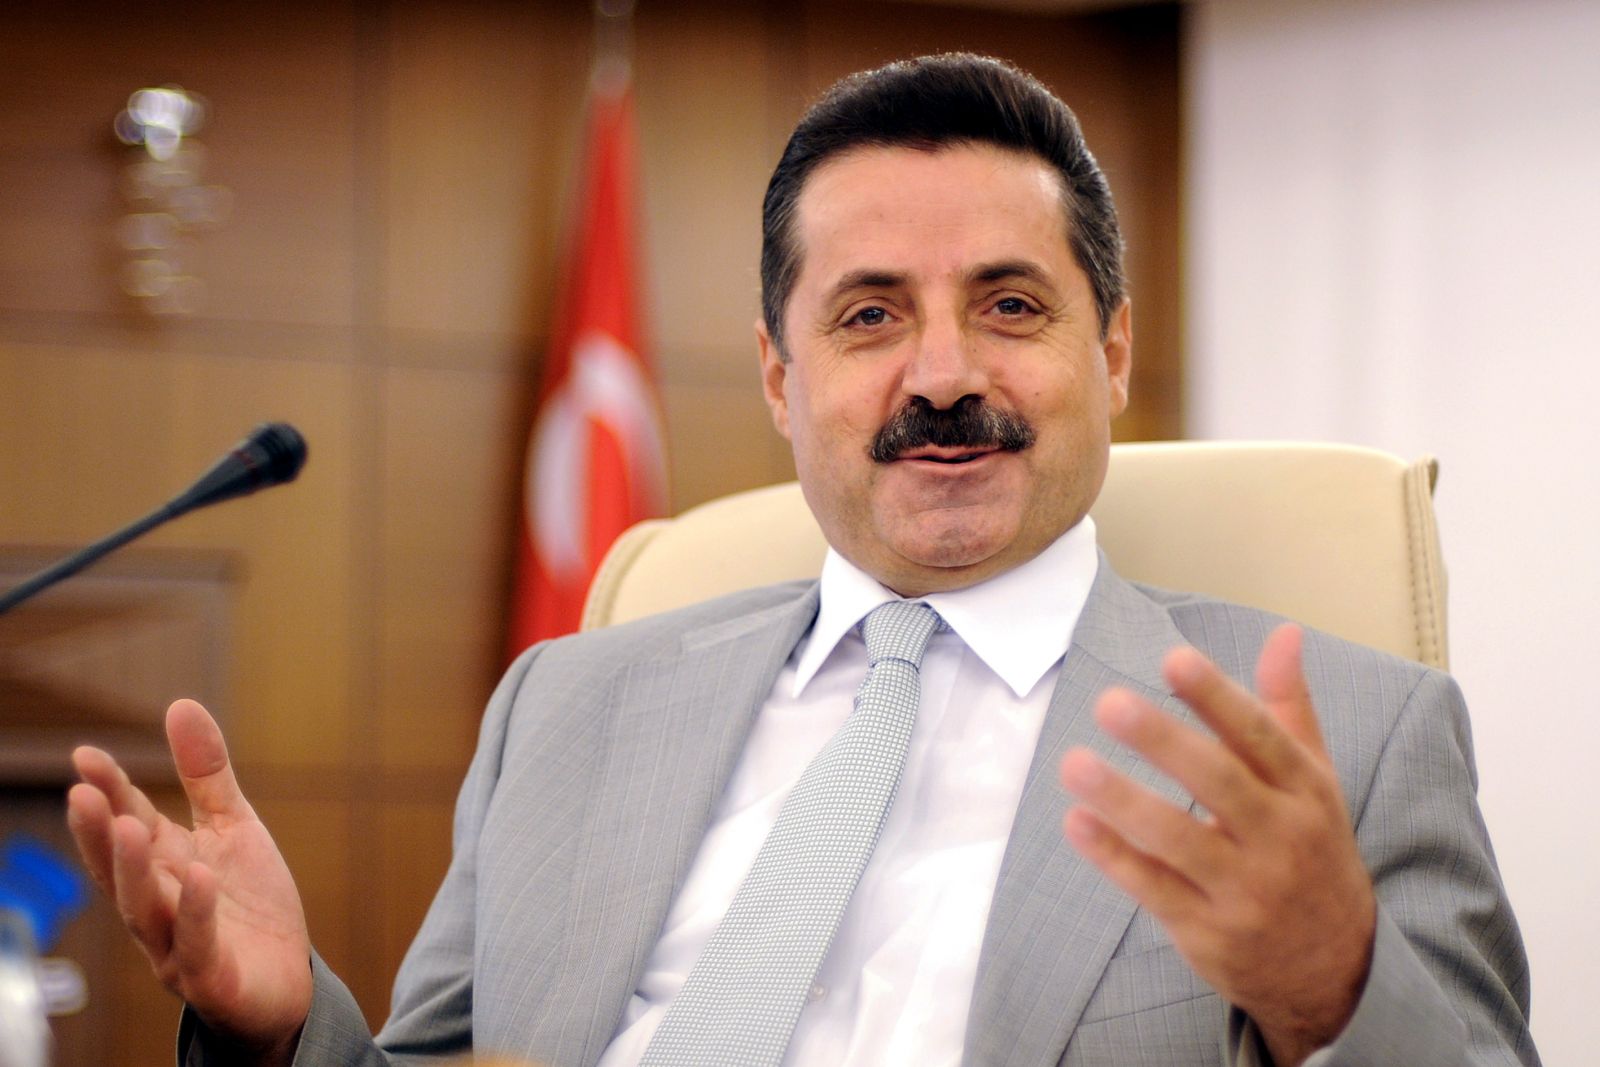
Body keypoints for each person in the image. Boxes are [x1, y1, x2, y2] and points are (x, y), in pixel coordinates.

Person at [66, 53, 1537, 1067]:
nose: (943, 375)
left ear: (1113, 353)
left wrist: (1335, 995)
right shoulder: (564, 708)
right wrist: (283, 1033)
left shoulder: (1348, 736)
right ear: (780, 378)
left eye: (1011, 306)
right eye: (870, 316)